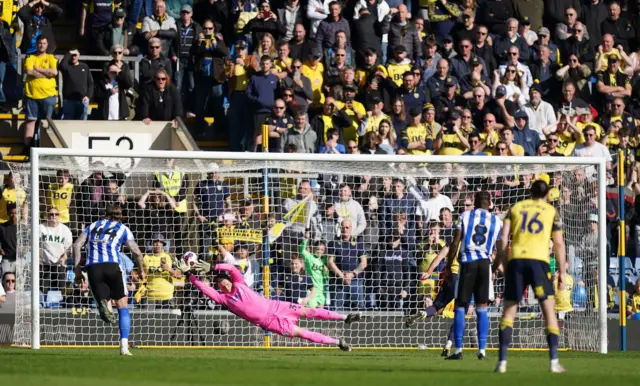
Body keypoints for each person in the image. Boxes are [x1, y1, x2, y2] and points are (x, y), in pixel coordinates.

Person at [175, 259, 361, 351]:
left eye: (224, 281)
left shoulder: (239, 283)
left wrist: (213, 267)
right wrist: (190, 276)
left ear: (228, 280)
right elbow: (205, 290)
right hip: (271, 323)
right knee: (304, 334)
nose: (223, 284)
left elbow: (231, 268)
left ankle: (345, 317)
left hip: (277, 306)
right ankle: (338, 343)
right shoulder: (224, 299)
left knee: (311, 311)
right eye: (220, 284)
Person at [493, 180, 567, 373]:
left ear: (530, 192)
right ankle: (553, 362)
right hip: (539, 262)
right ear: (548, 194)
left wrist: (505, 262)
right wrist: (562, 273)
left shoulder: (515, 207)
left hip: (517, 259)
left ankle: (502, 362)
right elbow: (558, 243)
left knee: (509, 310)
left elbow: (503, 238)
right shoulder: (551, 211)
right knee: (549, 310)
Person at [72, 205, 146, 356]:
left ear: (105, 215)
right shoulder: (123, 228)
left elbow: (76, 245)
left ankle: (104, 305)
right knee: (123, 306)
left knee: (104, 302)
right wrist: (142, 269)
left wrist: (77, 270)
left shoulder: (93, 225)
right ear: (120, 217)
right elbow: (136, 251)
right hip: (113, 267)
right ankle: (124, 347)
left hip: (93, 268)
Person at [444, 191, 502, 360]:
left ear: (475, 202)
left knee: (461, 306)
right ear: (490, 203)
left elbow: (456, 241)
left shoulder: (465, 216)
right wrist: (494, 268)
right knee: (482, 307)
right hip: (485, 264)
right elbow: (500, 250)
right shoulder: (497, 221)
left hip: (468, 262)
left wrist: (448, 266)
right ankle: (482, 350)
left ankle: (458, 350)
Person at [23, 35, 57, 153]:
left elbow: (54, 72)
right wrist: (45, 73)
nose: (41, 45)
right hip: (32, 95)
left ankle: (45, 148)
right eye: (39, 43)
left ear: (47, 45)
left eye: (43, 43)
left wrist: (38, 69)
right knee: (30, 121)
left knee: (46, 123)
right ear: (36, 44)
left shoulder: (51, 57)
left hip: (48, 95)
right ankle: (27, 148)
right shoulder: (30, 57)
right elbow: (28, 71)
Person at [39, 207, 73, 293]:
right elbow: (34, 245)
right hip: (44, 264)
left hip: (59, 265)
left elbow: (68, 248)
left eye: (56, 214)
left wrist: (64, 257)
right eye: (51, 214)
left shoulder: (65, 230)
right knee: (42, 290)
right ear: (47, 216)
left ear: (59, 216)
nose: (53, 216)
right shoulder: (40, 228)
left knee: (61, 290)